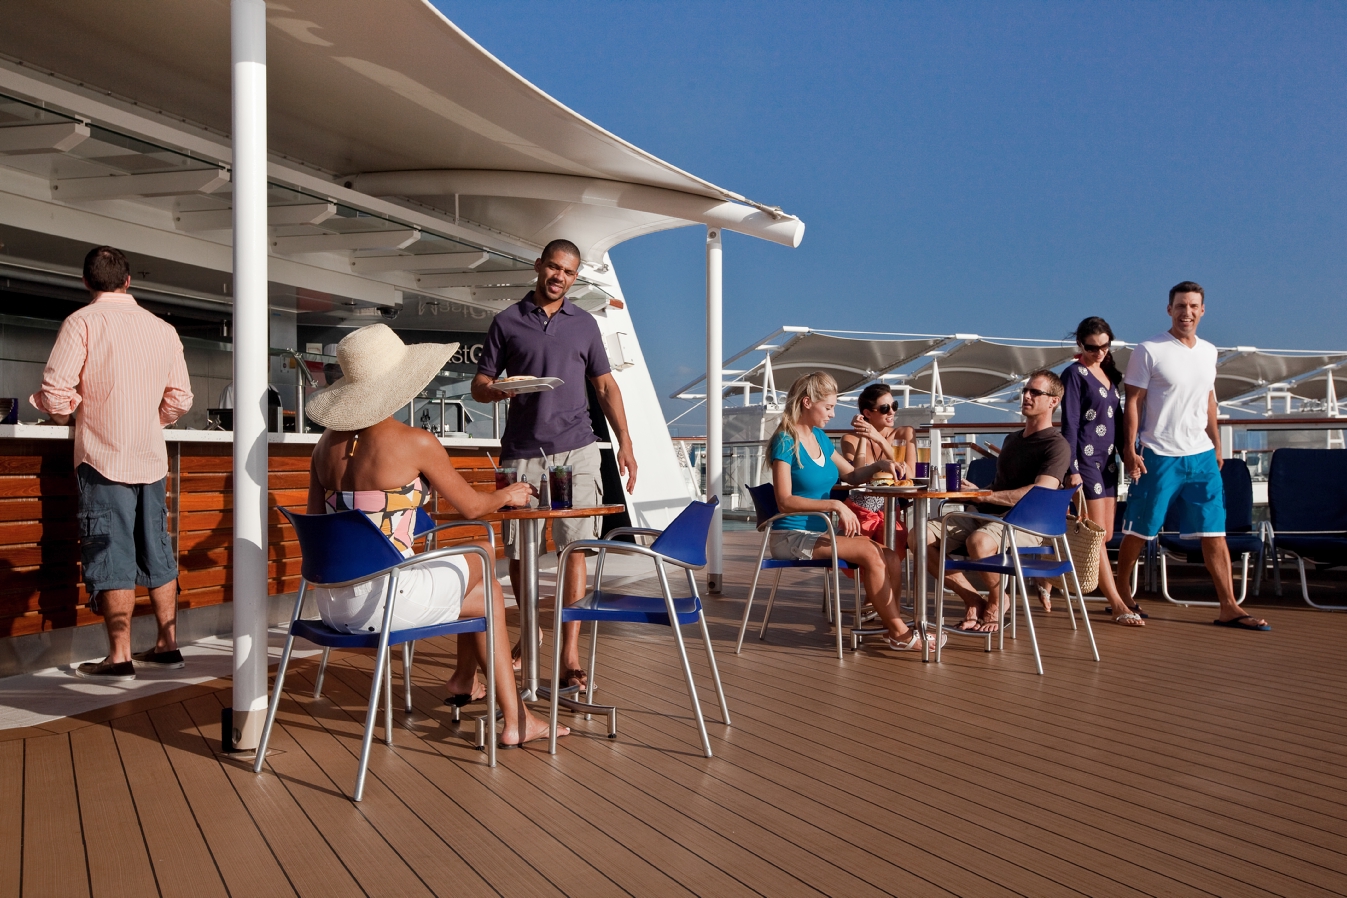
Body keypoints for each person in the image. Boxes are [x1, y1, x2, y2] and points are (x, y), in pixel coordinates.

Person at [304, 324, 562, 746]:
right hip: (385, 602)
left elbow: (318, 527)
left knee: (482, 594)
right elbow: (472, 507)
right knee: (481, 553)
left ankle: (472, 684)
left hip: (333, 606)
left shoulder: (323, 447)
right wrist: (509, 494)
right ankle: (513, 716)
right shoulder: (415, 442)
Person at [470, 238, 638, 690]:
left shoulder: (585, 324)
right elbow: (479, 386)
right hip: (521, 453)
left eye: (568, 271)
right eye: (553, 267)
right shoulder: (507, 321)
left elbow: (606, 387)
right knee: (520, 552)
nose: (559, 276)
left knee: (574, 548)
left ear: (575, 277)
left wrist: (625, 442)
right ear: (538, 265)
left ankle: (569, 655)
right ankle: (531, 632)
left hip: (578, 449)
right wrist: (499, 388)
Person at [30, 246, 193, 681]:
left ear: (86, 281)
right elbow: (180, 398)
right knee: (157, 548)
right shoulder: (162, 328)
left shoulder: (81, 322)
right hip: (150, 459)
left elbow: (56, 394)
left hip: (103, 458)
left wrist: (69, 417)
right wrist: (147, 421)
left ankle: (119, 657)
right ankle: (167, 646)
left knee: (110, 550)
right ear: (128, 281)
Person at [1117, 282, 1270, 631]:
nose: (1186, 312)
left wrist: (1216, 445)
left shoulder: (1209, 351)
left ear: (1202, 311)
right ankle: (1122, 592)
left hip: (1201, 456)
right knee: (1140, 529)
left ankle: (1229, 606)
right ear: (1169, 310)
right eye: (1180, 306)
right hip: (1158, 454)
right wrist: (1129, 449)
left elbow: (1209, 401)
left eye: (1193, 306)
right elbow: (1134, 402)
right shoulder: (1149, 350)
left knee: (1214, 532)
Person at [769, 372, 939, 652]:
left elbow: (851, 475)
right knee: (871, 553)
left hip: (820, 534)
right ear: (807, 403)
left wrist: (879, 465)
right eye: (828, 407)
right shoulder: (785, 441)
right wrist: (835, 504)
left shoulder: (819, 438)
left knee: (889, 555)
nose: (832, 414)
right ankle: (901, 633)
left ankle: (890, 626)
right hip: (791, 537)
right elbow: (784, 501)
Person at [926, 370, 1072, 632]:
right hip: (988, 514)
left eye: (1035, 392)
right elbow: (1001, 485)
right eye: (1025, 391)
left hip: (1027, 522)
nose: (1026, 396)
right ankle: (973, 599)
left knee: (979, 542)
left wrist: (986, 495)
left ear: (1053, 401)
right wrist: (978, 491)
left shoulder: (1056, 445)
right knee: (918, 535)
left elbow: (1039, 492)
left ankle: (996, 601)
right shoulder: (1012, 439)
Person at [1060, 317, 1144, 627]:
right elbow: (1070, 423)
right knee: (1095, 536)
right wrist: (1071, 468)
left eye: (1105, 347)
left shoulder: (1107, 373)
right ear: (1080, 344)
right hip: (1085, 460)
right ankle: (1117, 603)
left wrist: (1129, 454)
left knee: (1106, 534)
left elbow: (1117, 421)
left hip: (1108, 461)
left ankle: (1048, 580)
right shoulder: (1074, 374)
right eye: (1092, 347)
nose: (1099, 352)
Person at [838, 384, 915, 544]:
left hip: (890, 509)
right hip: (860, 509)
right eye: (885, 408)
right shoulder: (850, 439)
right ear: (867, 413)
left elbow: (909, 475)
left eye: (894, 406)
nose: (892, 412)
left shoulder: (905, 432)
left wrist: (880, 439)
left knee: (893, 539)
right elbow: (857, 476)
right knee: (863, 544)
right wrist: (864, 435)